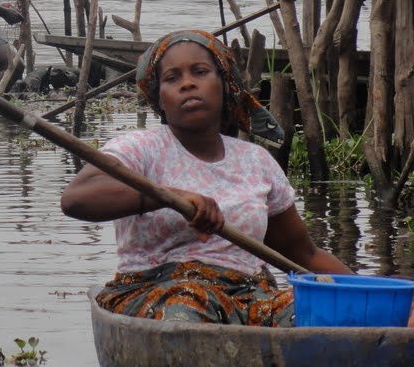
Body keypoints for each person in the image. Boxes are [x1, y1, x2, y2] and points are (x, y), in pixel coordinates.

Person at [60, 30, 352, 327]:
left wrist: (380, 298)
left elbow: (305, 253)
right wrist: (168, 197)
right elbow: (77, 199)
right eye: (172, 78)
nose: (187, 83)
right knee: (188, 302)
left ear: (224, 85)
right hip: (156, 292)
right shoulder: (139, 148)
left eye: (200, 72)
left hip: (248, 297)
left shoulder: (256, 161)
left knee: (317, 311)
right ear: (159, 98)